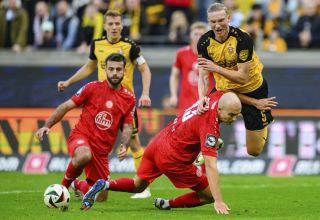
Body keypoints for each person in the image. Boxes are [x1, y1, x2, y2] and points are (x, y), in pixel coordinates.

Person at [81, 91, 242, 215]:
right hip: (174, 159)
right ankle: (168, 204)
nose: (234, 118)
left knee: (138, 185)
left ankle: (104, 184)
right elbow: (210, 164)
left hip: (158, 143)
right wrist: (219, 200)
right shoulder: (210, 125)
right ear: (219, 109)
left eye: (236, 115)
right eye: (231, 114)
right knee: (209, 196)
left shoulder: (215, 96)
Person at [57, 10, 152, 198]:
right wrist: (69, 82)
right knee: (95, 145)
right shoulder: (97, 44)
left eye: (118, 24)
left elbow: (144, 68)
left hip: (124, 105)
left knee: (134, 144)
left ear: (122, 25)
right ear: (105, 26)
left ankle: (143, 187)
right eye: (111, 24)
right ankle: (80, 183)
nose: (115, 27)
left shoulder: (130, 46)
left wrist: (146, 93)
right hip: (101, 104)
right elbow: (89, 67)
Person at [35, 53, 135, 202]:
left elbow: (127, 127)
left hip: (102, 151)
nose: (115, 73)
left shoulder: (129, 98)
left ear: (124, 71)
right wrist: (47, 125)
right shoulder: (92, 87)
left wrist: (124, 145)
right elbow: (66, 106)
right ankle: (62, 190)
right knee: (84, 155)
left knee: (101, 197)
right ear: (105, 69)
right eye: (111, 69)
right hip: (82, 137)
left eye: (118, 69)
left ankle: (77, 184)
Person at [197, 3, 278, 157]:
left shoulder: (242, 39)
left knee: (254, 151)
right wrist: (201, 98)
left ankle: (261, 122)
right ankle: (209, 143)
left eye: (221, 20)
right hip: (225, 90)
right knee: (202, 112)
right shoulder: (204, 43)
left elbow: (242, 78)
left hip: (253, 89)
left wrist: (217, 68)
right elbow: (203, 76)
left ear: (229, 18)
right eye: (213, 22)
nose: (217, 25)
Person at [169, 21, 214, 115]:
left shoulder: (212, 54)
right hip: (186, 102)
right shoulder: (181, 53)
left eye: (201, 34)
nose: (198, 37)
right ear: (190, 35)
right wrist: (173, 95)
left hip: (207, 101)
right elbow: (174, 75)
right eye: (195, 34)